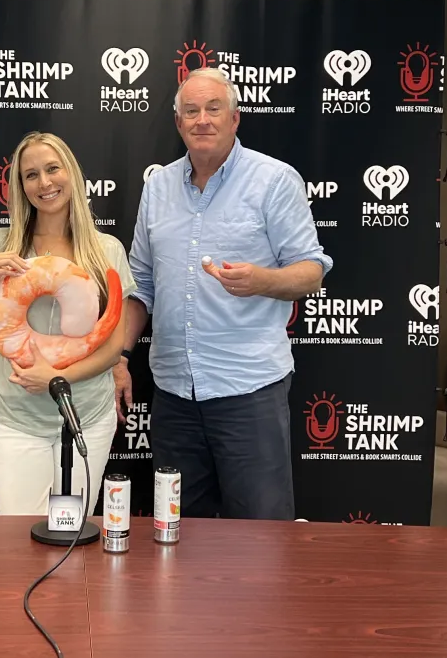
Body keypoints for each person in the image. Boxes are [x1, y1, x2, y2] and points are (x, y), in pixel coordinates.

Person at [117, 68, 331, 520]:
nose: (202, 120)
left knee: (260, 538)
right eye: (190, 111)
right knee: (177, 534)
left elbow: (311, 272)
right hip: (174, 394)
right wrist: (119, 356)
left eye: (214, 109)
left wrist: (262, 281)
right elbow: (141, 285)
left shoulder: (273, 180)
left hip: (248, 391)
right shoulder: (157, 187)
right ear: (178, 123)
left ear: (235, 117)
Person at [0, 132, 137, 516]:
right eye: (31, 175)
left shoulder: (106, 250)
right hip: (16, 416)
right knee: (17, 536)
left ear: (71, 174)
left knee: (72, 537)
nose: (44, 183)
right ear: (19, 185)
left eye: (52, 169)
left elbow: (112, 348)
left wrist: (58, 379)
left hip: (86, 417)